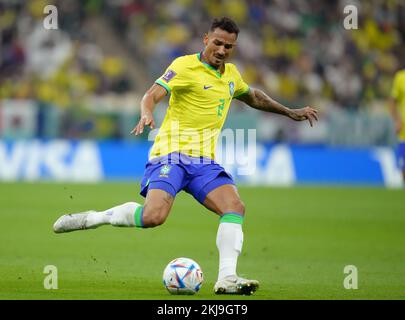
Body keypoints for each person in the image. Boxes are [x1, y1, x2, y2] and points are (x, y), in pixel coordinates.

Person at [53, 17, 318, 295]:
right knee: (154, 216)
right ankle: (95, 218)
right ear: (206, 39)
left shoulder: (231, 75)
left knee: (235, 207)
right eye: (217, 43)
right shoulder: (183, 66)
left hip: (204, 162)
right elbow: (152, 95)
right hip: (171, 155)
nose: (222, 50)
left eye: (229, 46)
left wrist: (289, 111)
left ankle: (227, 279)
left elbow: (253, 96)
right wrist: (146, 112)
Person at [389, 68, 405, 182]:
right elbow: (392, 101)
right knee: (403, 169)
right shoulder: (400, 77)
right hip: (404, 132)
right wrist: (397, 120)